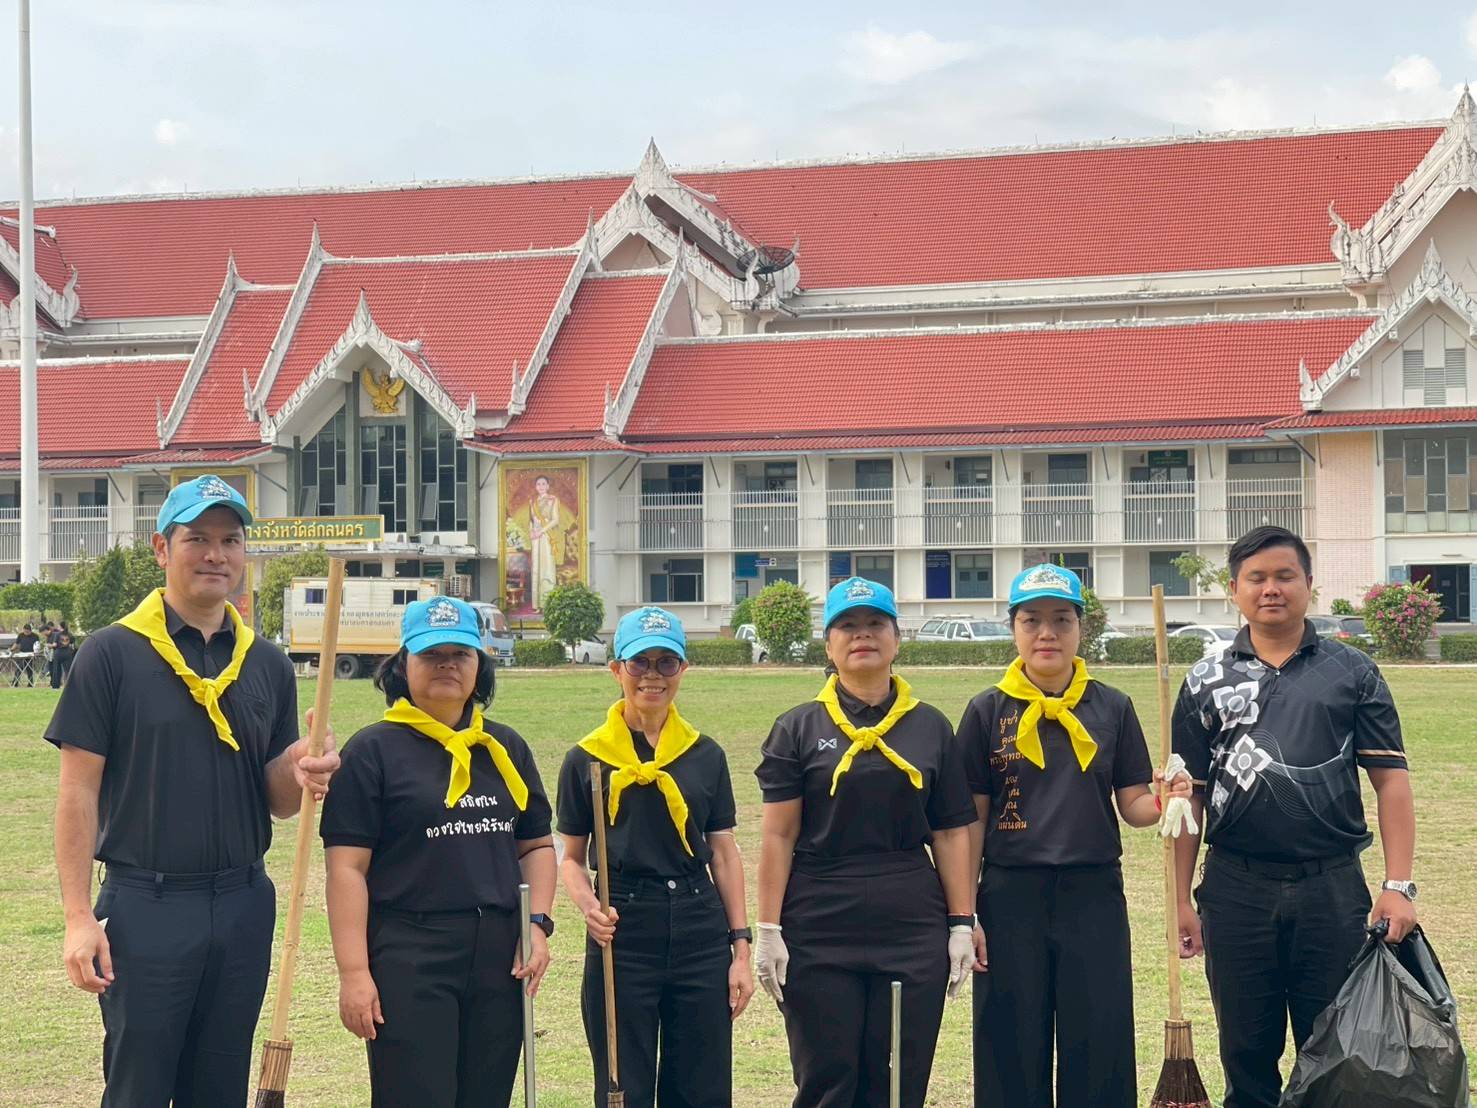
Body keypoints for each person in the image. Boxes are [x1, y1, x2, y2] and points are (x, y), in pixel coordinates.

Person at [44, 474, 339, 1108]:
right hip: (145, 906)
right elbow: (77, 794)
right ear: (161, 548)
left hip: (242, 903)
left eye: (230, 540)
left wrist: (301, 766)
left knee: (220, 1087)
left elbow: (279, 801)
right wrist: (77, 917)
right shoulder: (110, 655)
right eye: (197, 539)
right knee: (139, 1087)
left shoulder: (266, 663)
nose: (215, 554)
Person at [1172, 526, 1417, 1108]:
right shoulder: (1205, 680)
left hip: (1331, 887)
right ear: (1234, 589)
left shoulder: (1353, 671)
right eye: (1256, 578)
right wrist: (1181, 898)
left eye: (1285, 576)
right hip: (1234, 889)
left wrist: (1398, 885)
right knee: (1245, 1054)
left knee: (1332, 1053)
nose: (1271, 589)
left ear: (1309, 583)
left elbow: (1391, 781)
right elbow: (1189, 800)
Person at [956, 563, 1190, 1107]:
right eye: (1032, 620)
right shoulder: (986, 711)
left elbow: (1133, 805)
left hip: (1093, 894)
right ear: (1013, 628)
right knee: (1009, 1041)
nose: (1047, 633)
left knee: (1100, 1038)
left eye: (1062, 620)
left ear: (1081, 628)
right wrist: (965, 914)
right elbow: (971, 821)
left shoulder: (1112, 706)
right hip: (1009, 896)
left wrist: (1165, 798)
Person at [321, 595, 556, 1107]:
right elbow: (346, 870)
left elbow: (536, 846)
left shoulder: (506, 748)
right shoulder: (371, 751)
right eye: (431, 654)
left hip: (499, 955)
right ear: (402, 665)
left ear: (479, 665)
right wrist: (354, 973)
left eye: (461, 654)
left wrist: (537, 925)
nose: (447, 664)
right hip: (410, 952)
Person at [754, 577, 977, 1108]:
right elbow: (778, 835)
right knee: (827, 1077)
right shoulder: (797, 728)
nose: (863, 635)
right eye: (847, 626)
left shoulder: (930, 727)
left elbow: (950, 832)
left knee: (899, 1079)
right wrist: (768, 930)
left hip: (910, 915)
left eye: (876, 623)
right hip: (819, 913)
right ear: (828, 646)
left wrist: (961, 923)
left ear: (897, 639)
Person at [558, 605, 754, 1108]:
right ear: (616, 669)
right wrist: (589, 906)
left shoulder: (705, 754)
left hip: (698, 924)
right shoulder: (587, 758)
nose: (652, 675)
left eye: (666, 662)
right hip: (623, 928)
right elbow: (571, 857)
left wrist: (741, 947)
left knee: (701, 1087)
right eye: (639, 662)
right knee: (624, 1085)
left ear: (683, 669)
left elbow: (724, 853)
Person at [527, 473, 574, 611]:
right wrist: (531, 532)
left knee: (546, 568)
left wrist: (541, 531)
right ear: (535, 487)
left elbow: (555, 520)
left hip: (547, 536)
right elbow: (531, 520)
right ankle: (537, 604)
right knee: (536, 569)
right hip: (536, 537)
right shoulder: (532, 501)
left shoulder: (553, 500)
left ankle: (547, 603)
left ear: (548, 486)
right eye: (538, 484)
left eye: (543, 484)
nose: (541, 486)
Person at [12, 622, 40, 686]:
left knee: (29, 669)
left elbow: (37, 645)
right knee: (19, 668)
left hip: (31, 654)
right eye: (25, 631)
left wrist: (36, 652)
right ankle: (15, 682)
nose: (26, 633)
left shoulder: (35, 636)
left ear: (30, 630)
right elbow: (16, 643)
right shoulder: (21, 635)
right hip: (22, 654)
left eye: (27, 632)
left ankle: (30, 683)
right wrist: (12, 649)